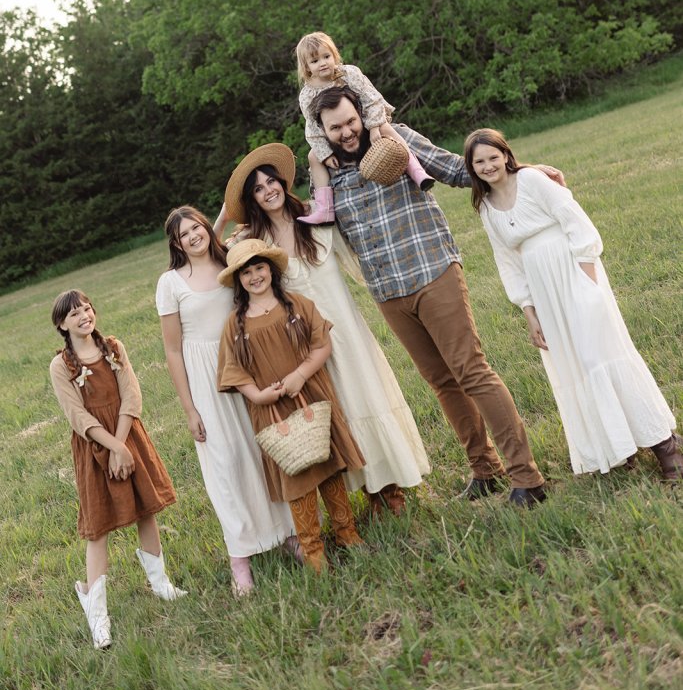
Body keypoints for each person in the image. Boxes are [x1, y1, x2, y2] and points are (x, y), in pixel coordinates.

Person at [311, 85, 554, 507]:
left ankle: (526, 477)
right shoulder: (326, 173)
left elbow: (458, 170)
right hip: (388, 291)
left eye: (351, 121)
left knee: (471, 371)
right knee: (441, 382)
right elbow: (315, 224)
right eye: (336, 128)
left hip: (432, 271)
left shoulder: (395, 139)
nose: (347, 133)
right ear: (322, 132)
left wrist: (524, 173)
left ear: (362, 114)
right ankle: (485, 469)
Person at [215, 144, 430, 518]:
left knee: (365, 398)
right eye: (258, 189)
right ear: (252, 200)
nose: (269, 191)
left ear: (283, 183)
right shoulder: (255, 244)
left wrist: (316, 158)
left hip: (345, 328)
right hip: (305, 342)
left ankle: (391, 489)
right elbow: (212, 253)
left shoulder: (315, 216)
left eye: (271, 182)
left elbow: (321, 172)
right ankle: (369, 493)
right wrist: (225, 217)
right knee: (337, 410)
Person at [463, 127, 683, 480]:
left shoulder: (531, 180)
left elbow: (576, 221)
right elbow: (508, 264)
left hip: (575, 270)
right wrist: (529, 311)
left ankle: (665, 446)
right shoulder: (486, 208)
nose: (488, 166)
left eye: (493, 157)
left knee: (604, 354)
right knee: (575, 364)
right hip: (543, 289)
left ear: (506, 155)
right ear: (471, 168)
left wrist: (587, 282)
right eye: (480, 162)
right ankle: (617, 444)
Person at [156, 206, 298, 597]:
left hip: (246, 361)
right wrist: (189, 409)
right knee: (226, 462)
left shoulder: (228, 261)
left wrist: (224, 215)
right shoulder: (171, 283)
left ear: (206, 227)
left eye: (196, 228)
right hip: (206, 375)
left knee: (266, 449)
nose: (193, 237)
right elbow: (172, 350)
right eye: (184, 235)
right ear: (176, 244)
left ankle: (288, 533)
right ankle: (240, 558)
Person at [216, 239, 366, 573]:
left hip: (310, 394)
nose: (255, 276)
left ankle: (347, 533)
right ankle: (313, 551)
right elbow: (234, 371)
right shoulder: (235, 324)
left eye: (260, 267)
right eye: (246, 272)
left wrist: (300, 375)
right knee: (296, 474)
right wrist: (258, 396)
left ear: (271, 270)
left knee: (327, 465)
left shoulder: (296, 304)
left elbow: (321, 344)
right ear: (238, 280)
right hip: (273, 411)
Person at [50, 289, 186, 650]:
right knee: (98, 526)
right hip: (95, 446)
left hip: (127, 436)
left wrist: (123, 445)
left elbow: (132, 396)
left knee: (145, 509)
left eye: (86, 309)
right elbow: (77, 416)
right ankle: (98, 616)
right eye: (74, 314)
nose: (84, 316)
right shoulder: (61, 366)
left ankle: (161, 584)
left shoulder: (113, 348)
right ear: (62, 324)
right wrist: (112, 447)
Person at [295, 31, 433, 224]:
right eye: (315, 61)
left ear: (335, 55)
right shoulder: (307, 94)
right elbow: (313, 129)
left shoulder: (348, 74)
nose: (323, 63)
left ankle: (416, 170)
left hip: (367, 122)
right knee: (313, 156)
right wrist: (325, 153)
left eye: (326, 56)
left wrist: (374, 127)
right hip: (337, 137)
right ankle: (325, 209)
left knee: (386, 129)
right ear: (307, 67)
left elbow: (371, 99)